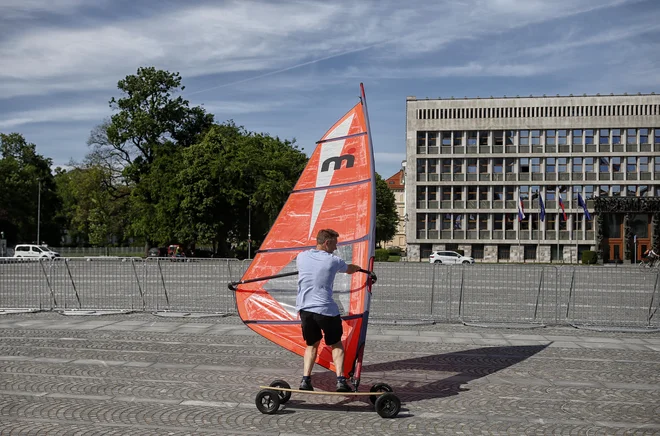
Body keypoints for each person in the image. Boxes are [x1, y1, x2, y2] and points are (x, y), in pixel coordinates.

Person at [296, 228, 361, 392]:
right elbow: (349, 269)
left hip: (305, 310)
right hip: (326, 310)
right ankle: (340, 380)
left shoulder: (301, 256)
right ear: (327, 242)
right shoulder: (333, 261)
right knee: (336, 344)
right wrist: (358, 267)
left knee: (311, 345)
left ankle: (305, 380)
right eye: (335, 244)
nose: (336, 248)